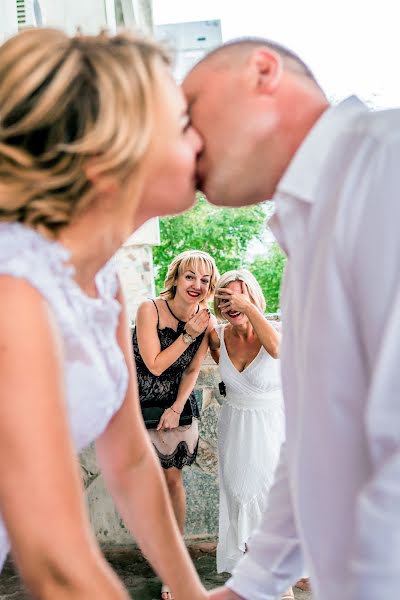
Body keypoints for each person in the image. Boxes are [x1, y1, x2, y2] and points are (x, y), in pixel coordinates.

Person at [183, 38, 400, 600]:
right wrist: (248, 588)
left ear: (262, 72)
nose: (183, 143)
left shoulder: (387, 163)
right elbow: (318, 448)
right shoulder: (306, 236)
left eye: (191, 112)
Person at [0, 28, 208, 600]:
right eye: (184, 125)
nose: (202, 140)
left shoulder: (103, 286)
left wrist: (191, 596)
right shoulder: (15, 293)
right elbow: (57, 565)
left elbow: (134, 466)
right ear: (105, 160)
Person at [133, 249, 218, 600]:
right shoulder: (149, 309)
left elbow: (192, 370)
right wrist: (187, 334)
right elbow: (153, 364)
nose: (197, 285)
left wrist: (176, 407)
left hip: (177, 409)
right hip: (138, 405)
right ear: (177, 277)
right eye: (190, 276)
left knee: (173, 481)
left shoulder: (206, 319)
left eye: (205, 279)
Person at [209, 270, 292, 600]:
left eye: (240, 296)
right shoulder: (216, 336)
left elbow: (277, 351)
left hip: (271, 430)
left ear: (255, 298)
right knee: (239, 498)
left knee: (267, 503)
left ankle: (280, 586)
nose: (233, 303)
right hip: (234, 429)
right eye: (226, 298)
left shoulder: (276, 332)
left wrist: (250, 308)